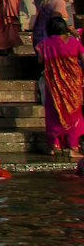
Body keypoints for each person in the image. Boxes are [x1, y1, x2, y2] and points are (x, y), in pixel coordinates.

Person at [38, 16, 84, 157]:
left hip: (54, 86)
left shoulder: (44, 44)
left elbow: (40, 61)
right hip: (73, 86)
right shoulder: (75, 44)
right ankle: (73, 147)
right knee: (74, 115)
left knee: (54, 113)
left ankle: (54, 146)